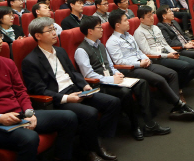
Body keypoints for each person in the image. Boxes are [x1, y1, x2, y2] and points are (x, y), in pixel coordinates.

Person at [0, 20, 79, 161]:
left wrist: (29, 112)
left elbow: (21, 91)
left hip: (20, 115)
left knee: (69, 117)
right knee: (30, 138)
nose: (0, 40)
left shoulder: (7, 63)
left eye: (0, 36)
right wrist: (0, 118)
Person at [22, 17, 120, 161]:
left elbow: (73, 72)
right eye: (49, 30)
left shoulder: (60, 51)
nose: (54, 33)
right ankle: (90, 149)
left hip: (76, 89)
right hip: (59, 97)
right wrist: (67, 98)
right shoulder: (30, 61)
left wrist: (85, 85)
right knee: (90, 113)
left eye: (54, 29)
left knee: (113, 102)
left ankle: (96, 139)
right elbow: (39, 90)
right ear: (38, 36)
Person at [76, 16, 171, 141]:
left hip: (113, 79)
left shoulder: (101, 46)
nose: (102, 30)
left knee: (141, 83)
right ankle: (135, 126)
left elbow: (110, 65)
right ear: (90, 31)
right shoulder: (81, 50)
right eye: (99, 27)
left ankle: (149, 124)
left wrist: (116, 74)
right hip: (99, 85)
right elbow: (88, 75)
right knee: (125, 92)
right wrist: (111, 80)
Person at [105, 9, 194, 121]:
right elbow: (119, 61)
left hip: (143, 62)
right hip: (131, 68)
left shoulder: (129, 36)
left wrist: (145, 58)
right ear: (117, 25)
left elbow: (139, 51)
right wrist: (139, 63)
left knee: (172, 73)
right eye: (126, 20)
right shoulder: (112, 41)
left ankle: (175, 106)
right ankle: (180, 106)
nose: (129, 22)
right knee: (159, 79)